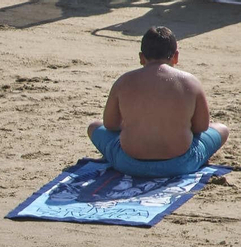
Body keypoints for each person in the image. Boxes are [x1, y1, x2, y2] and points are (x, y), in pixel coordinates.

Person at [88, 27, 228, 179]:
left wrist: (135, 124)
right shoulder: (190, 82)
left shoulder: (123, 81)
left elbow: (110, 124)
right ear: (176, 56)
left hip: (129, 164)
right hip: (180, 164)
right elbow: (201, 127)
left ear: (141, 57)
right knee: (222, 129)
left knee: (94, 127)